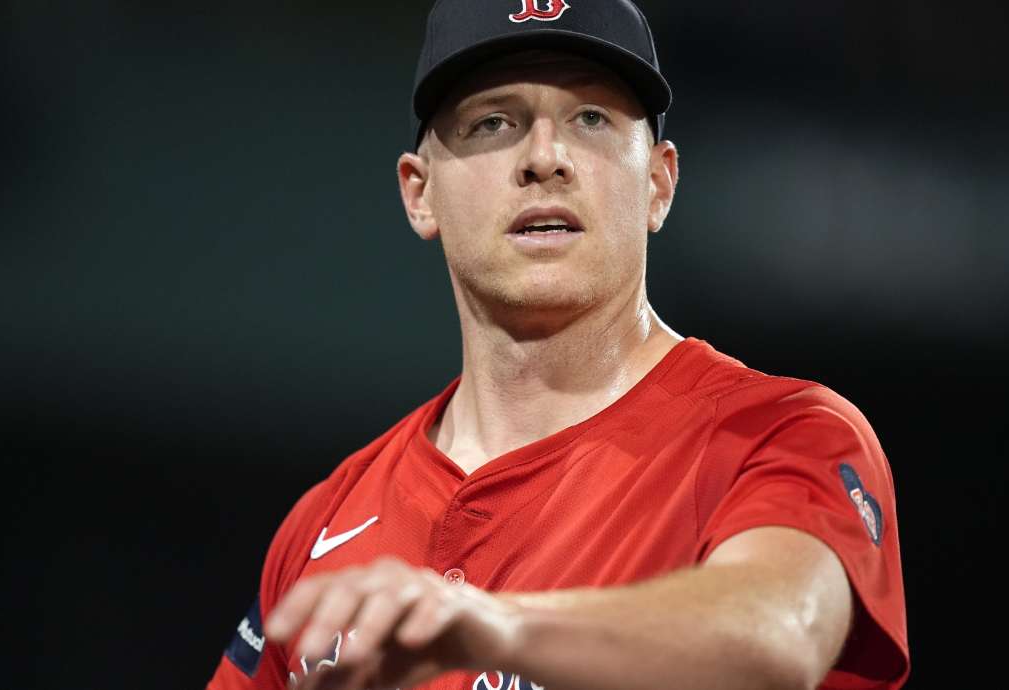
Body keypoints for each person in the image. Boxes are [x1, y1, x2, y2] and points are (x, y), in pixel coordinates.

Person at [207, 1, 909, 689]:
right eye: (493, 123)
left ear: (660, 183)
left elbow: (777, 639)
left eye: (592, 118)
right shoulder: (323, 525)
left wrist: (494, 627)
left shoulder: (783, 435)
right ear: (420, 194)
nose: (545, 158)